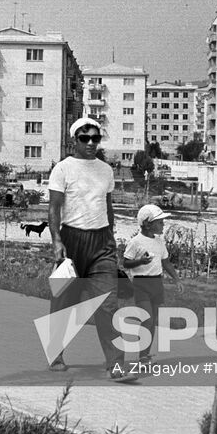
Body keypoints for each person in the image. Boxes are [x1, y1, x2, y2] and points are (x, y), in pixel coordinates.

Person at [47, 116, 138, 383]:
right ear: (74, 140)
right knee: (64, 301)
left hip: (101, 244)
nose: (90, 143)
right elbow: (54, 208)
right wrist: (56, 240)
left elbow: (108, 207)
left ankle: (115, 364)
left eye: (95, 139)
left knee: (107, 304)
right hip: (72, 241)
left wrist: (111, 240)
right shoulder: (62, 169)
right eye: (84, 138)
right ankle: (56, 353)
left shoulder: (105, 170)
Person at [122, 203, 183, 360]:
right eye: (160, 222)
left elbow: (166, 262)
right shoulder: (136, 242)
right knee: (147, 319)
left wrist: (176, 279)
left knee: (152, 320)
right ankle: (142, 355)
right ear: (148, 224)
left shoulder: (159, 241)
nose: (163, 225)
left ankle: (145, 354)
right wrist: (141, 262)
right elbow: (126, 263)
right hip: (141, 284)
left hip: (156, 284)